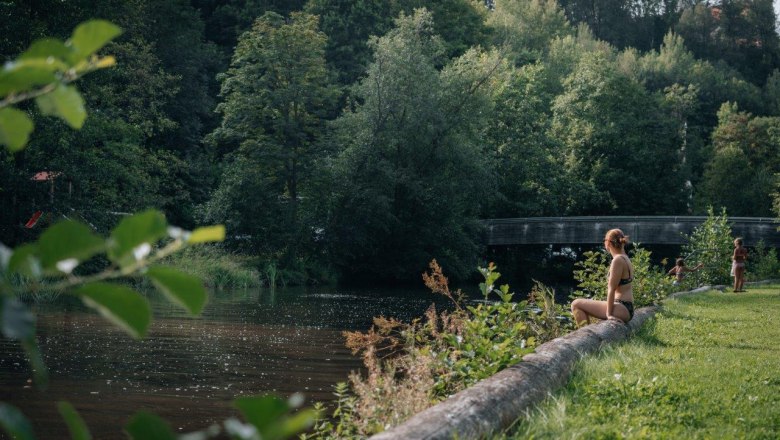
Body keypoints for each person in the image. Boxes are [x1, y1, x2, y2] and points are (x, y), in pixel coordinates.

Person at [571, 229, 634, 326]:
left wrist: (608, 314)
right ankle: (588, 333)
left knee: (576, 304)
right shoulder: (625, 257)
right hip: (627, 308)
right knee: (581, 304)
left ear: (608, 242)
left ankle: (587, 337)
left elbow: (611, 289)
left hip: (621, 308)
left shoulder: (617, 260)